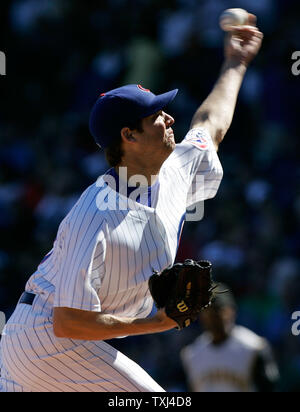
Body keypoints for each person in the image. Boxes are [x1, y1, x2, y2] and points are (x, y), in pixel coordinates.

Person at [0, 18, 263, 392]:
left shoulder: (175, 168)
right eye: (157, 114)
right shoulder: (95, 214)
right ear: (129, 135)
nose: (170, 117)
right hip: (43, 340)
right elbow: (67, 322)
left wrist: (236, 63)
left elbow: (212, 124)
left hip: (52, 347)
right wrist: (155, 323)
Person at [180, 286, 280, 392]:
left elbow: (270, 387)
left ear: (231, 311)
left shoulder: (253, 347)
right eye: (207, 311)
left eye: (217, 310)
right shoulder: (192, 353)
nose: (212, 316)